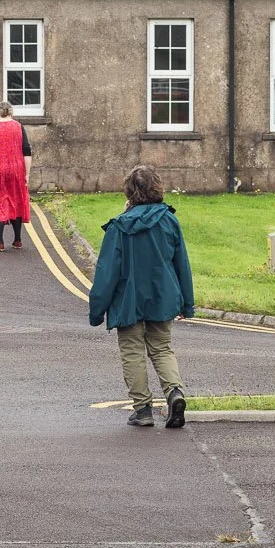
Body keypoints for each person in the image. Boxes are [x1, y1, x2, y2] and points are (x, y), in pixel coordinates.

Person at [87, 165, 194, 429]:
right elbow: (182, 263)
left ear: (129, 192)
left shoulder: (119, 227)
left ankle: (143, 409)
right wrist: (187, 303)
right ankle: (174, 393)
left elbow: (106, 272)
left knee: (133, 352)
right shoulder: (169, 220)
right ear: (157, 187)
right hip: (162, 296)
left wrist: (96, 310)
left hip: (128, 299)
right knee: (162, 348)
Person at [0, 102, 33, 250]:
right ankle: (17, 240)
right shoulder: (18, 127)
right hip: (15, 169)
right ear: (11, 113)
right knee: (15, 201)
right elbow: (26, 151)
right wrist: (27, 174)